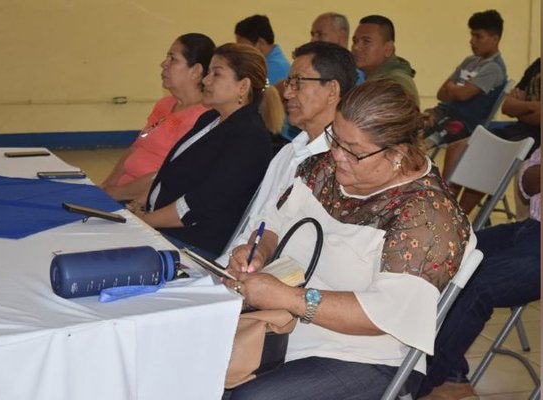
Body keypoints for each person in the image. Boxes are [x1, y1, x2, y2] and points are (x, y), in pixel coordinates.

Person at [222, 79, 473, 400]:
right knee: (193, 364)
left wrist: (289, 299)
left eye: (353, 151)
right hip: (280, 325)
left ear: (397, 153)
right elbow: (272, 222)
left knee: (253, 398)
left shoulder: (428, 216)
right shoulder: (323, 168)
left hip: (365, 355)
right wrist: (258, 252)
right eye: (334, 139)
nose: (337, 155)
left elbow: (383, 314)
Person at [129, 43, 283, 258]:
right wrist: (139, 204)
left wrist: (146, 221)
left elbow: (201, 203)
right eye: (208, 72)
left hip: (193, 244)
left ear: (243, 86)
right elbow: (171, 171)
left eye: (216, 74)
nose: (205, 80)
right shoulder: (210, 119)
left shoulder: (249, 137)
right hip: (164, 228)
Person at [217, 41, 358, 265]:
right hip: (236, 263)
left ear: (332, 90)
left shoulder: (342, 166)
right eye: (289, 82)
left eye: (297, 83)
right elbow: (255, 222)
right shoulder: (288, 152)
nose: (286, 92)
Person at [418, 148, 541, 400]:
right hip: (533, 228)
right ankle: (446, 372)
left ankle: (428, 381)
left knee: (474, 283)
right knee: (444, 251)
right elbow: (527, 183)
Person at [100, 33, 215, 202]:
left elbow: (170, 176)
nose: (163, 64)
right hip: (122, 192)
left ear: (196, 71)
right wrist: (108, 184)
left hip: (147, 201)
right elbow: (136, 146)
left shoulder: (202, 118)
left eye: (173, 59)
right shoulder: (165, 104)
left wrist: (117, 194)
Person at [443, 58, 541, 215]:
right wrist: (531, 107)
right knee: (458, 148)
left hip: (536, 138)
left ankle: (459, 217)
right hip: (516, 129)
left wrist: (521, 109)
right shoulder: (538, 65)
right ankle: (445, 208)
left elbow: (541, 117)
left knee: (488, 158)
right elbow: (507, 107)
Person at [423, 9, 507, 148]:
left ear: (494, 39)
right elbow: (441, 94)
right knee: (410, 125)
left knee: (421, 142)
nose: (472, 41)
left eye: (478, 36)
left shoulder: (494, 68)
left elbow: (462, 95)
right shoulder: (469, 61)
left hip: (462, 124)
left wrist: (453, 88)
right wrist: (459, 89)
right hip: (442, 113)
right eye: (472, 35)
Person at [351, 15, 419, 105]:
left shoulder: (395, 83)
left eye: (366, 41)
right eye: (355, 41)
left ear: (388, 49)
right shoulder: (372, 79)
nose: (356, 47)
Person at [310, 12, 366, 84]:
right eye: (312, 34)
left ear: (341, 35)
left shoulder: (358, 75)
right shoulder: (311, 70)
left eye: (320, 34)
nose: (313, 40)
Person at [235, 14, 291, 85]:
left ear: (260, 43)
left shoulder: (274, 68)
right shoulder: (270, 64)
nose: (240, 53)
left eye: (244, 48)